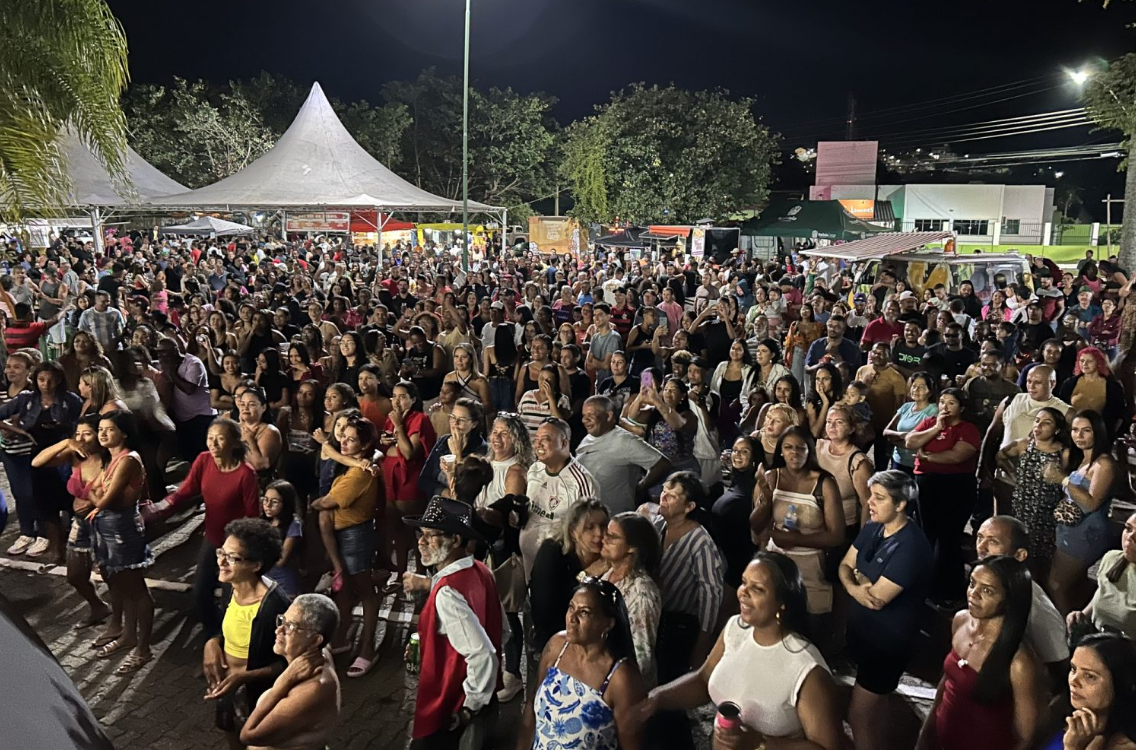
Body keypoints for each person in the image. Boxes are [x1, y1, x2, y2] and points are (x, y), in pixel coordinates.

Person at [636, 551, 843, 750]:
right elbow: (704, 679)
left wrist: (759, 744)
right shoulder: (736, 628)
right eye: (744, 582)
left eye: (758, 589)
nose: (743, 592)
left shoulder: (805, 668)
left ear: (782, 604)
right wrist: (658, 698)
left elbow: (828, 747)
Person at [839, 470, 933, 750]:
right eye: (871, 495)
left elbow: (877, 599)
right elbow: (844, 565)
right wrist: (859, 587)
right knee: (874, 711)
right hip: (866, 636)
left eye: (879, 498)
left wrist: (859, 581)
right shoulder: (873, 527)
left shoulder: (911, 547)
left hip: (887, 645)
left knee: (858, 715)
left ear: (901, 504)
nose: (870, 502)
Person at [403, 497, 502, 750]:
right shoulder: (482, 571)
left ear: (455, 540)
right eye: (420, 534)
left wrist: (469, 707)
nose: (421, 542)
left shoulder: (446, 593)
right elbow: (503, 631)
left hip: (450, 705)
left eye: (430, 535)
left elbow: (483, 653)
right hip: (482, 699)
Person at [916, 556, 1044, 750]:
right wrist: (925, 735)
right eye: (972, 583)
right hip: (943, 739)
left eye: (987, 591)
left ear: (1009, 600)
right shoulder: (960, 620)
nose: (973, 594)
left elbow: (1024, 737)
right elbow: (948, 681)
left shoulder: (1019, 662)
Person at [155, 418, 259, 636]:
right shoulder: (204, 460)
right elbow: (185, 491)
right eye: (210, 438)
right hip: (212, 538)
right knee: (200, 593)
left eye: (220, 439)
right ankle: (214, 634)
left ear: (234, 443)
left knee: (230, 598)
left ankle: (230, 640)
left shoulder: (246, 474)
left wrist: (243, 550)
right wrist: (160, 507)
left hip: (235, 546)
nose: (213, 444)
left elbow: (253, 517)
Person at [518, 577, 646, 750]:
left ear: (608, 624)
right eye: (571, 608)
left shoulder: (621, 678)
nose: (572, 618)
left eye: (584, 612)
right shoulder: (557, 646)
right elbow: (531, 706)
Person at [202, 518, 290, 750]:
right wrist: (212, 642)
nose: (221, 561)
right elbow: (224, 627)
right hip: (228, 688)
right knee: (231, 734)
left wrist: (243, 677)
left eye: (232, 558)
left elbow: (290, 665)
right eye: (222, 552)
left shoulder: (274, 606)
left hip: (259, 697)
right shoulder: (230, 585)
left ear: (256, 565)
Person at [310, 416, 381, 678]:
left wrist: (315, 505)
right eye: (343, 436)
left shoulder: (360, 474)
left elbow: (326, 502)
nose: (344, 442)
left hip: (355, 536)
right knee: (343, 591)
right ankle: (341, 639)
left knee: (365, 591)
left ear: (364, 446)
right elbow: (331, 452)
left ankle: (368, 648)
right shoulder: (352, 464)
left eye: (351, 439)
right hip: (341, 534)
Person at [31, 415, 112, 630]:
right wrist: (66, 442)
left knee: (112, 575)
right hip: (81, 523)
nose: (82, 439)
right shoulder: (75, 455)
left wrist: (93, 503)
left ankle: (123, 621)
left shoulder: (114, 458)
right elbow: (37, 462)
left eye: (87, 433)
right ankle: (98, 607)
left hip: (106, 523)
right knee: (75, 575)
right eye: (78, 434)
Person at [906, 388, 982, 607]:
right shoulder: (931, 422)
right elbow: (910, 441)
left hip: (955, 486)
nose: (945, 407)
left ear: (962, 408)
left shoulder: (968, 429)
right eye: (942, 402)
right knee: (928, 532)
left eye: (951, 403)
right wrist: (937, 428)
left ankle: (949, 589)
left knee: (948, 537)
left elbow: (958, 456)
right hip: (927, 484)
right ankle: (926, 585)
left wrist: (927, 455)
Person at [0, 360, 82, 562]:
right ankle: (56, 548)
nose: (45, 384)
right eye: (41, 379)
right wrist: (19, 431)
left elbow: (83, 424)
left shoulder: (70, 400)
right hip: (38, 457)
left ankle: (76, 549)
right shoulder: (27, 399)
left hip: (64, 458)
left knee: (72, 503)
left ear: (59, 380)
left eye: (51, 380)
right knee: (45, 505)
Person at [649, 471, 724, 688]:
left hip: (680, 625)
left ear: (689, 506)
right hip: (658, 618)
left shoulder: (700, 541)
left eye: (672, 496)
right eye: (664, 492)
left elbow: (711, 594)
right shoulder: (659, 525)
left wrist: (703, 642)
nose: (663, 498)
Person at [239, 594, 342, 750]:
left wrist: (284, 681)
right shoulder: (319, 652)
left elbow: (248, 735)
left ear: (315, 640)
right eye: (282, 620)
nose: (279, 630)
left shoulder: (312, 689)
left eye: (291, 626)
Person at [974, 516, 1070, 676]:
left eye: (993, 542)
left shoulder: (1035, 607)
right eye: (979, 538)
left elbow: (1058, 665)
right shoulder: (979, 582)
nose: (981, 548)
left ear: (1019, 555)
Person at [1045, 409, 1120, 614]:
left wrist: (1063, 479)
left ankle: (1068, 631)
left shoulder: (1103, 464)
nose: (1079, 435)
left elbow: (1091, 503)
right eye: (1075, 430)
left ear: (1098, 432)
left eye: (1086, 430)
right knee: (1075, 584)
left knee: (1056, 583)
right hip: (1071, 529)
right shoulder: (1083, 458)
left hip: (1086, 533)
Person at [529, 499, 610, 655]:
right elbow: (545, 613)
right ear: (573, 531)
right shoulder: (551, 552)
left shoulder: (608, 556)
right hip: (553, 642)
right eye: (589, 527)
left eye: (603, 526)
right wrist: (588, 574)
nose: (599, 534)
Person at [520, 418, 597, 576]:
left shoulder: (581, 481)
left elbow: (590, 532)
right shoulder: (534, 469)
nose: (538, 444)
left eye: (546, 439)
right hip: (527, 561)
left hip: (557, 569)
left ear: (563, 443)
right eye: (537, 439)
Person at [996, 407, 1068, 574]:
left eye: (1046, 423)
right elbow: (1000, 456)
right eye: (1037, 421)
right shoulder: (1023, 445)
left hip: (1047, 511)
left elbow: (1067, 481)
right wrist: (1012, 474)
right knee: (1019, 545)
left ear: (1057, 430)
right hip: (1021, 506)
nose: (1039, 426)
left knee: (1042, 555)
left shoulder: (1063, 452)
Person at [576, 395, 671, 515]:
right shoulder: (589, 437)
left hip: (615, 518)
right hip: (590, 515)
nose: (585, 420)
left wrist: (640, 487)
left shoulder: (626, 441)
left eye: (591, 415)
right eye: (584, 416)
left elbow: (662, 464)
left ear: (609, 416)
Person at [381, 380, 437, 581]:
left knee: (416, 532)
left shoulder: (420, 419)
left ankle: (421, 573)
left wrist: (398, 427)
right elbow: (386, 448)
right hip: (389, 480)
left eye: (402, 397)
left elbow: (408, 452)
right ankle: (401, 574)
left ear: (413, 400)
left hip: (410, 482)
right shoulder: (391, 419)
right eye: (394, 396)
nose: (397, 401)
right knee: (396, 531)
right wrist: (387, 441)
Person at [599, 512, 662, 688]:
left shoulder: (641, 594)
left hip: (624, 686)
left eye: (612, 537)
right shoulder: (610, 574)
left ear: (632, 548)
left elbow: (643, 657)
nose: (603, 539)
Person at [1068, 511, 1136, 643]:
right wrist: (1082, 615)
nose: (1130, 537)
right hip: (1097, 644)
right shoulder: (1112, 558)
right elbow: (1104, 593)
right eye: (1128, 529)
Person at [711, 435, 761, 591]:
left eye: (744, 451)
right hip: (724, 556)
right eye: (735, 450)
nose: (737, 455)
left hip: (739, 561)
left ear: (754, 457)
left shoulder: (757, 486)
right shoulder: (736, 479)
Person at [157, 336, 217, 461]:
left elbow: (189, 389)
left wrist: (172, 372)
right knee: (189, 456)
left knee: (204, 455)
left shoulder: (193, 363)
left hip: (201, 416)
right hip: (182, 418)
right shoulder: (164, 365)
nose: (161, 356)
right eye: (159, 352)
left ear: (174, 350)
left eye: (164, 352)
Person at [855, 342, 909, 470]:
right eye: (874, 352)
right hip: (864, 424)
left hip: (883, 426)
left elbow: (900, 406)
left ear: (888, 356)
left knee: (881, 464)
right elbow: (854, 395)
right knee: (857, 458)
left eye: (881, 353)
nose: (877, 355)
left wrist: (893, 429)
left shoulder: (896, 377)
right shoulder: (862, 370)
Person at [1057, 346, 1128, 442]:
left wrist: (1109, 435)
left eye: (1089, 361)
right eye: (1081, 361)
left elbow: (1120, 414)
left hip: (1100, 435)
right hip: (1072, 434)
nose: (1084, 364)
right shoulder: (1069, 383)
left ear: (1098, 363)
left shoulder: (1112, 386)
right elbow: (1060, 408)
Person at [882, 372, 939, 478]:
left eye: (921, 387)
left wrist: (897, 441)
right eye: (914, 386)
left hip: (918, 465)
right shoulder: (906, 407)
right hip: (898, 460)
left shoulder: (933, 412)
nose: (915, 390)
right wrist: (902, 435)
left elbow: (926, 442)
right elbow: (886, 431)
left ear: (930, 392)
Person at [260, 480, 303, 599]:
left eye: (274, 502)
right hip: (263, 582)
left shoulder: (294, 524)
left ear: (286, 504)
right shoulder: (264, 521)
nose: (267, 505)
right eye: (265, 500)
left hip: (283, 584)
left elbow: (281, 560)